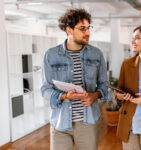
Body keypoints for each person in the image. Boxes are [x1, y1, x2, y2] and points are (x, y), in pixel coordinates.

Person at [41, 8, 110, 150]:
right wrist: (65, 96)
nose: (88, 33)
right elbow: (45, 89)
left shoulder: (96, 54)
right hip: (60, 123)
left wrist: (94, 95)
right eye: (82, 29)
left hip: (87, 122)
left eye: (88, 28)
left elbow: (104, 85)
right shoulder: (51, 55)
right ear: (69, 30)